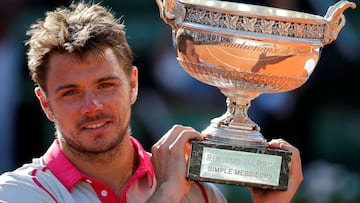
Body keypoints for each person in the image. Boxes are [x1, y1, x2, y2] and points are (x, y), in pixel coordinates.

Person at [0, 2, 303, 203]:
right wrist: (167, 193)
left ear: (133, 84)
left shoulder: (201, 194)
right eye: (71, 93)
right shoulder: (17, 193)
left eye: (106, 85)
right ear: (45, 103)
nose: (91, 105)